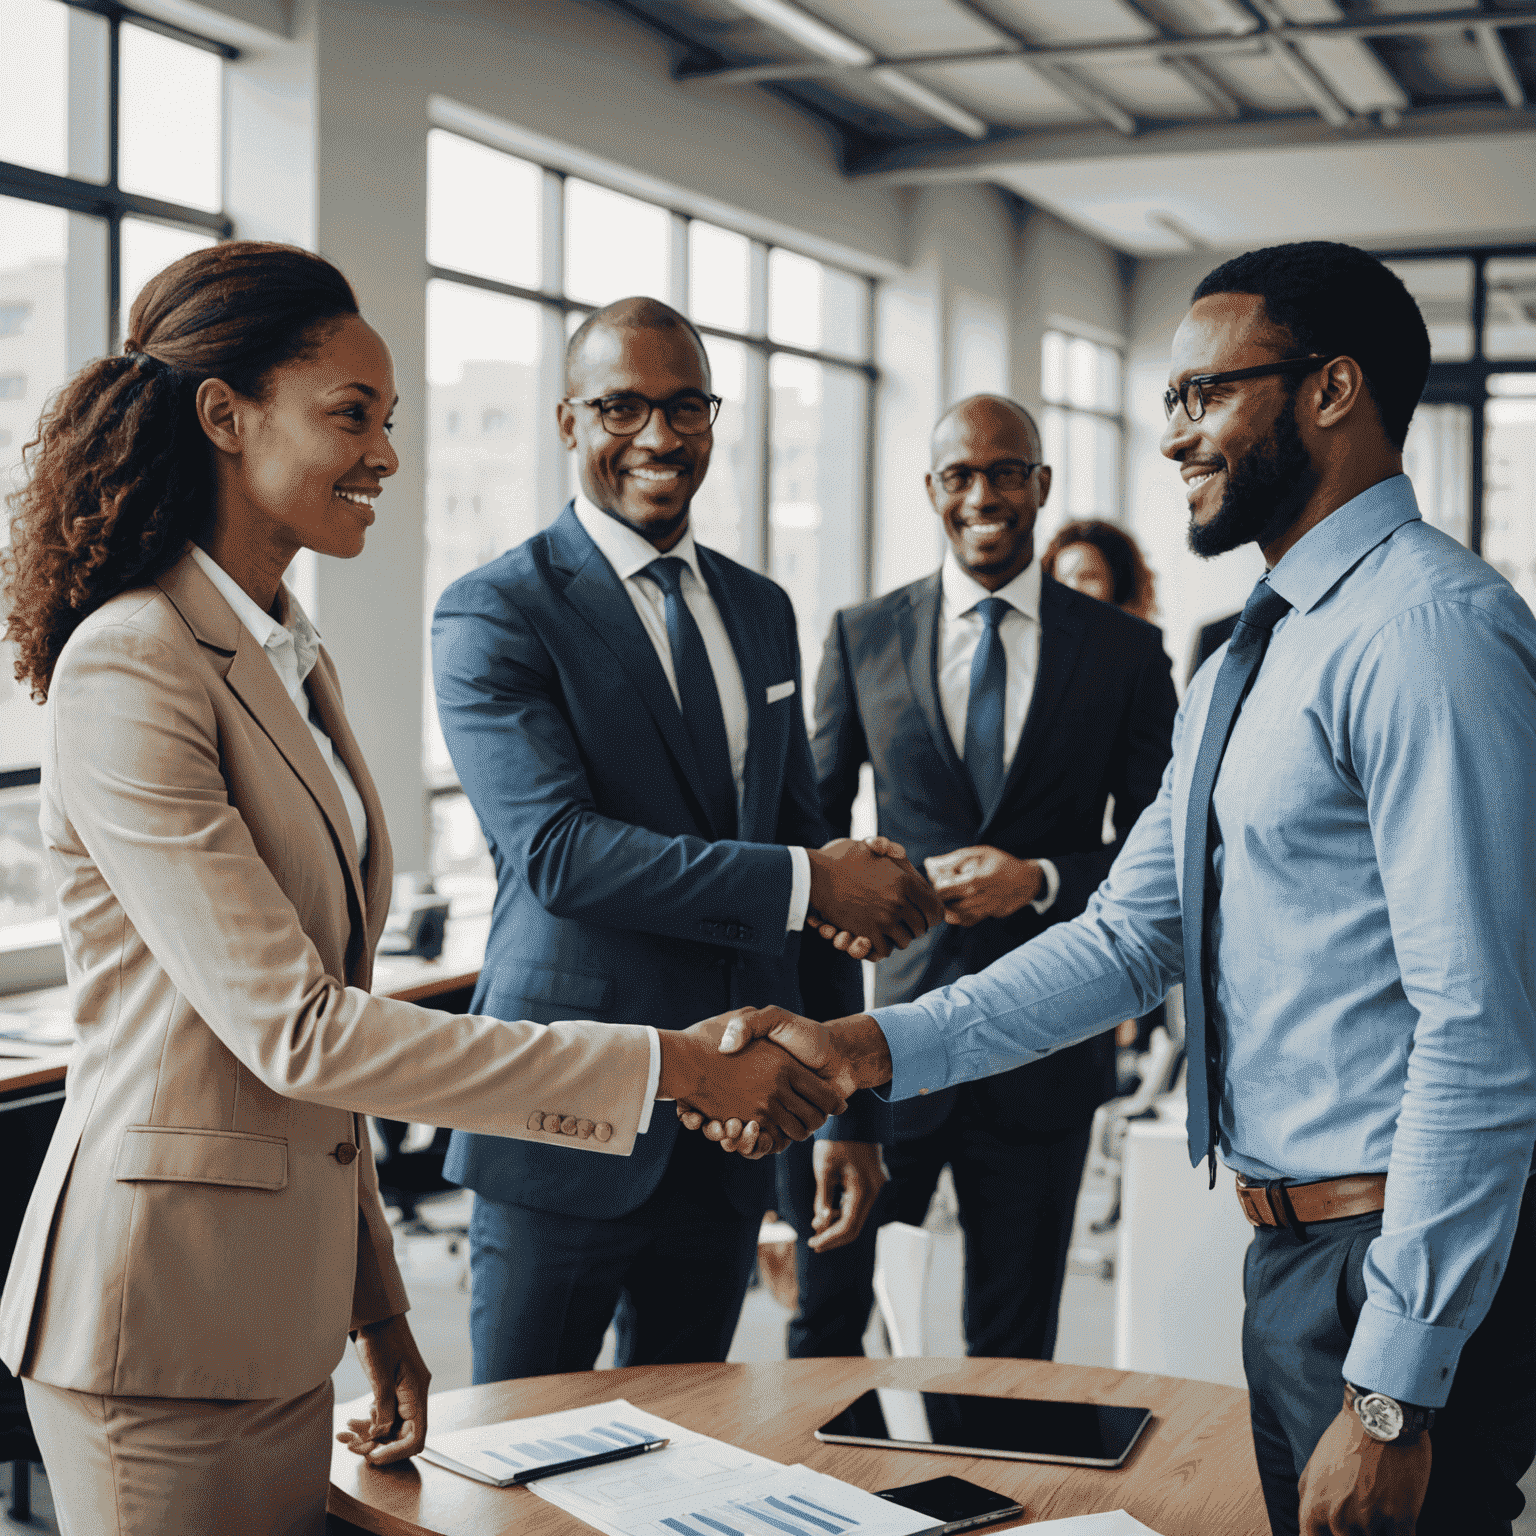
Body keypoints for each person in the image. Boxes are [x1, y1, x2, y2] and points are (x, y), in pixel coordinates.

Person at [0, 244, 841, 1536]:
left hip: (280, 1319)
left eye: (389, 422)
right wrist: (671, 1066)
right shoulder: (134, 660)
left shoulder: (288, 653)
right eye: (352, 416)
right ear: (226, 415)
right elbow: (301, 1032)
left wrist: (377, 1307)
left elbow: (327, 1041)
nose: (387, 456)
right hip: (156, 1330)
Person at [700, 242, 1536, 1536]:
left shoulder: (1430, 638)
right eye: (1170, 404)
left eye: (1206, 395)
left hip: (1393, 1263)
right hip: (1298, 1259)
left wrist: (1391, 1392)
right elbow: (1128, 940)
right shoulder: (1251, 657)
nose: (1174, 439)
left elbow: (1482, 1034)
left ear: (1331, 390)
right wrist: (861, 1045)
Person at [430, 295, 941, 1385]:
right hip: (562, 1119)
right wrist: (808, 879)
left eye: (685, 407)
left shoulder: (760, 609)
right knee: (518, 1462)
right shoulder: (496, 610)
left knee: (681, 1459)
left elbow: (807, 858)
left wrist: (852, 1116)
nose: (659, 437)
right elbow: (560, 854)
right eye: (622, 407)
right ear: (568, 421)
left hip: (733, 1137)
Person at [776, 396, 1176, 1361]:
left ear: (1040, 485)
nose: (983, 495)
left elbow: (1166, 846)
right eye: (960, 475)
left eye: (1006, 472)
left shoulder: (1122, 652)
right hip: (885, 1042)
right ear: (932, 491)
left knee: (1013, 1339)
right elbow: (816, 837)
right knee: (828, 1313)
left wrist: (1038, 877)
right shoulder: (862, 633)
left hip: (1049, 1047)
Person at [1041, 518, 1159, 624]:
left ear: (1122, 588)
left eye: (1089, 577)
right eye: (1061, 582)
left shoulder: (1141, 646)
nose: (1073, 588)